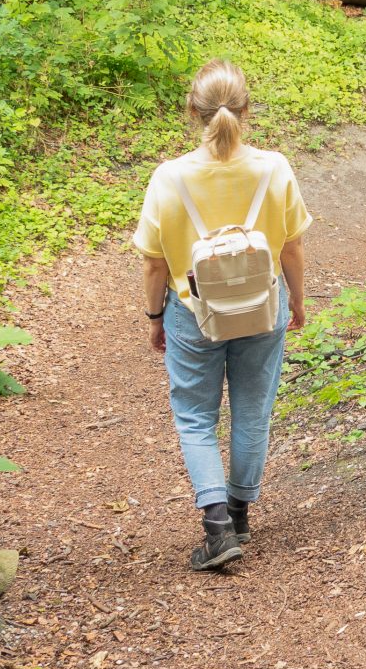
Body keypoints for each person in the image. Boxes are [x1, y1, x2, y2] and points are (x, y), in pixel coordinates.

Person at [132, 60, 311, 572]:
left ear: (193, 111)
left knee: (195, 416)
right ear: (246, 109)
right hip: (262, 306)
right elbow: (293, 248)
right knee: (252, 408)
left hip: (193, 312)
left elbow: (154, 262)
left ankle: (216, 527)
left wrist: (154, 316)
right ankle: (240, 512)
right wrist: (296, 302)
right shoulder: (274, 168)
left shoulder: (169, 178)